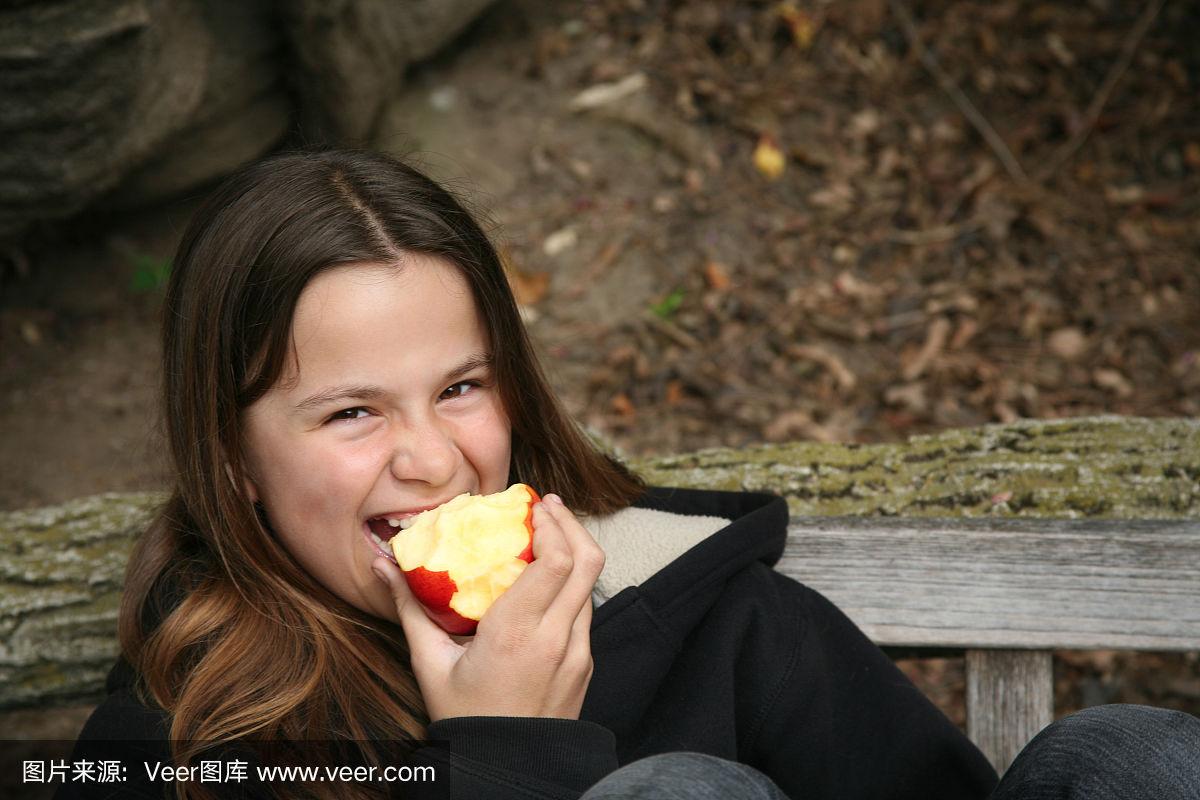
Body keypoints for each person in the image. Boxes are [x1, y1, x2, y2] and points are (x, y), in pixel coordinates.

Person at [60, 149, 1199, 800]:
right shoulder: (169, 741)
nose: (435, 457)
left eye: (461, 386)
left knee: (1126, 756)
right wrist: (506, 751)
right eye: (353, 410)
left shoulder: (709, 613)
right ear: (232, 458)